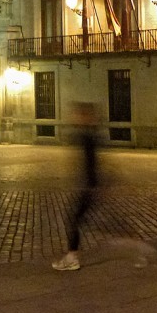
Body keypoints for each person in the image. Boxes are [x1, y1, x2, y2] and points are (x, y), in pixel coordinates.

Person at [52, 103, 102, 271]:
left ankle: (72, 258)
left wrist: (87, 186)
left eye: (79, 115)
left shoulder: (87, 137)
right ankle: (72, 256)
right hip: (90, 186)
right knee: (77, 219)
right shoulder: (89, 135)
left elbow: (91, 165)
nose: (74, 117)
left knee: (73, 220)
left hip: (88, 188)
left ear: (86, 117)